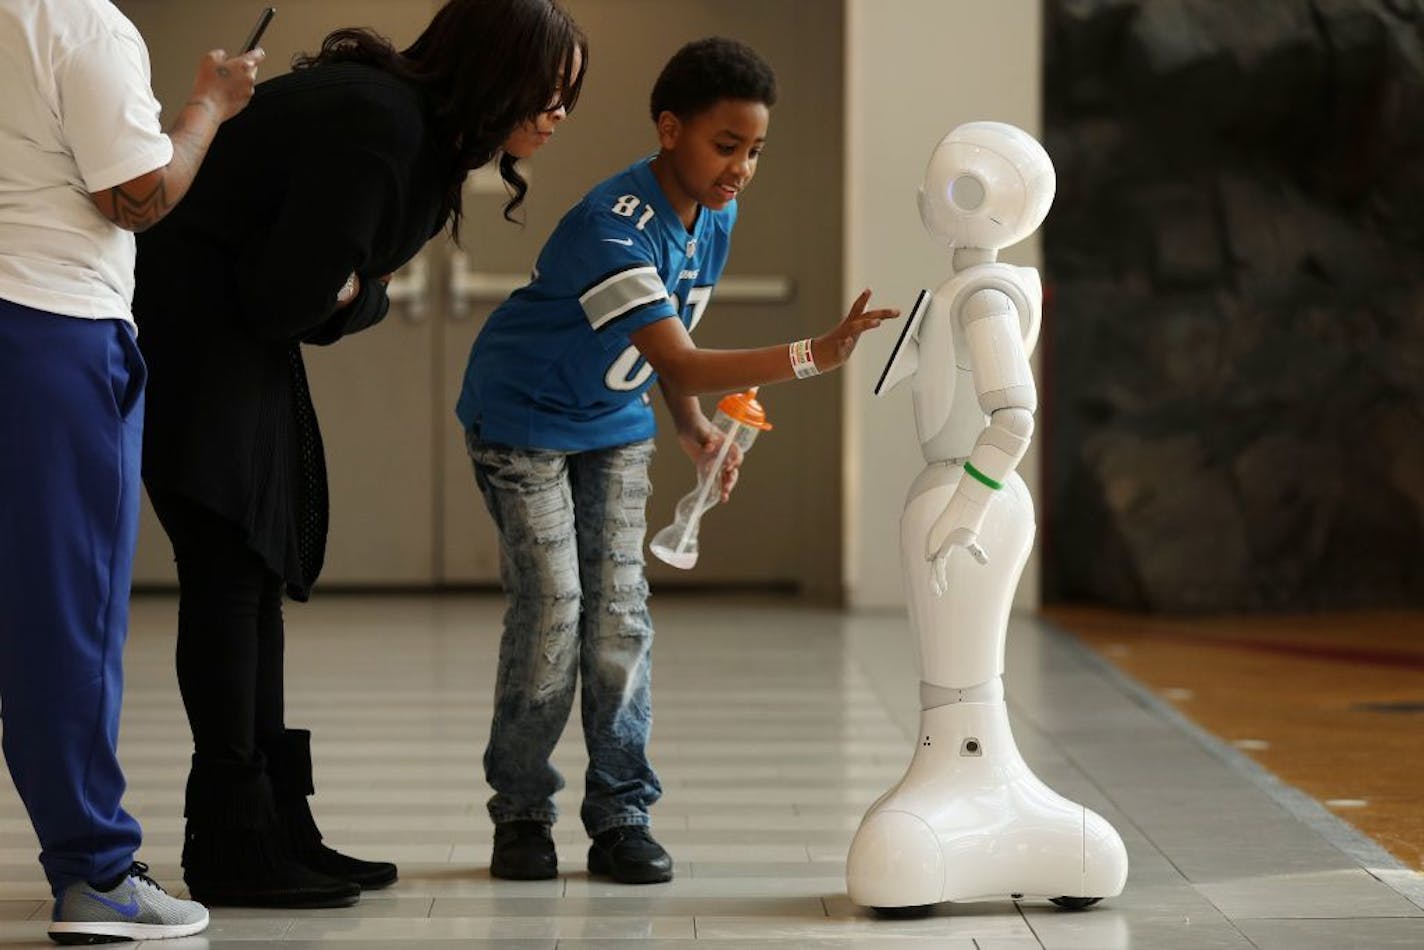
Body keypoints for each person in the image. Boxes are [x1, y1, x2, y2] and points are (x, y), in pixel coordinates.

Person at [131, 0, 586, 909]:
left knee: (252, 572)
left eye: (570, 97)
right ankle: (231, 844)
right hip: (198, 335)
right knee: (230, 574)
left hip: (220, 334)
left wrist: (352, 287)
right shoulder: (384, 130)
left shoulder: (399, 121)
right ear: (494, 70)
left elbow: (316, 293)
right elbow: (288, 298)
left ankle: (270, 826)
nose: (557, 113)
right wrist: (355, 288)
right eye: (548, 90)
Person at [456, 36, 897, 886]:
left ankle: (622, 813)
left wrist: (692, 430)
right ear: (669, 130)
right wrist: (816, 354)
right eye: (725, 146)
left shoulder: (715, 210)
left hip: (614, 423)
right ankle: (521, 812)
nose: (741, 168)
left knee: (619, 615)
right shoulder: (607, 229)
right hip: (524, 421)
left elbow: (669, 349)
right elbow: (687, 358)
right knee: (554, 613)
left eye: (755, 150)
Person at [0, 0, 261, 942]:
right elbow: (136, 194)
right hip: (50, 327)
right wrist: (209, 105)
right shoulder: (76, 21)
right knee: (64, 618)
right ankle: (97, 875)